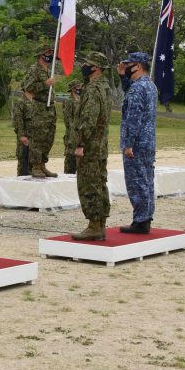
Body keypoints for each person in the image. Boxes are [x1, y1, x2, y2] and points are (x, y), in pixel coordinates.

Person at [71, 51, 112, 240]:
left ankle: (94, 225)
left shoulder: (93, 89)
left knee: (89, 184)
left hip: (91, 146)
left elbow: (89, 119)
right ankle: (100, 223)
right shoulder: (105, 87)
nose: (84, 66)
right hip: (100, 144)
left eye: (88, 64)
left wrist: (80, 143)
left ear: (96, 67)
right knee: (99, 182)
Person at [118, 52, 158, 233]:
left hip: (137, 142)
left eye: (129, 64)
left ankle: (141, 221)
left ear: (138, 66)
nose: (126, 67)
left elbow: (133, 118)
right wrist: (122, 77)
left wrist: (128, 144)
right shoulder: (149, 85)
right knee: (147, 180)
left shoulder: (137, 88)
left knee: (136, 182)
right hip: (148, 141)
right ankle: (145, 217)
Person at [22, 44, 59, 178]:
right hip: (39, 108)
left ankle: (43, 164)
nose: (50, 55)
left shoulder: (48, 69)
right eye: (48, 52)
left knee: (48, 138)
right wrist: (45, 84)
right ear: (40, 55)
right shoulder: (34, 69)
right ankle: (36, 166)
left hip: (50, 109)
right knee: (38, 138)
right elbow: (28, 87)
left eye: (51, 52)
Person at [62, 82, 82, 174]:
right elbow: (68, 118)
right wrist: (73, 131)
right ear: (73, 89)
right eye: (78, 86)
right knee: (70, 157)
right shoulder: (68, 101)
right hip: (71, 133)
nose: (81, 88)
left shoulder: (82, 100)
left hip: (81, 133)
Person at [12, 93, 31, 176]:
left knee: (32, 161)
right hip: (24, 138)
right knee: (23, 161)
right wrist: (22, 136)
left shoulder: (35, 102)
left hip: (33, 137)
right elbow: (18, 120)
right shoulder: (21, 102)